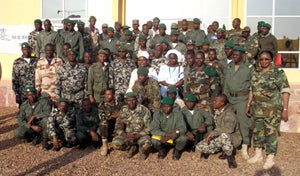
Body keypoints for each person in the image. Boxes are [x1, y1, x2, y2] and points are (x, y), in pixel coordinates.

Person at [246, 51, 290, 169]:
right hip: (257, 110)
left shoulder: (278, 73)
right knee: (258, 132)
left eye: (266, 59)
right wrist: (248, 105)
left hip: (272, 110)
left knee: (271, 134)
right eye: (261, 59)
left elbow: (285, 91)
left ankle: (270, 157)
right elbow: (252, 90)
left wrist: (285, 109)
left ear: (271, 60)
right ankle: (258, 154)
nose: (264, 61)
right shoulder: (256, 73)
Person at [223, 46, 253, 160]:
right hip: (230, 98)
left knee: (243, 122)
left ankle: (245, 145)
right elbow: (226, 84)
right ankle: (232, 144)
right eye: (233, 55)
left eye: (236, 55)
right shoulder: (229, 66)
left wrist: (249, 103)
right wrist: (225, 98)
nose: (234, 56)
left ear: (242, 55)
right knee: (230, 121)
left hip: (242, 98)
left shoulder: (248, 68)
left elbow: (252, 87)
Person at [196, 94, 241, 168]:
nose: (213, 102)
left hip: (233, 138)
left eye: (215, 101)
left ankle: (230, 158)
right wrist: (205, 106)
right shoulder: (218, 110)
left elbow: (229, 129)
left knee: (224, 136)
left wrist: (212, 133)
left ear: (222, 103)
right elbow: (212, 109)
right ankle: (219, 149)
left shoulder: (229, 113)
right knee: (200, 146)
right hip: (219, 135)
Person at [111, 92, 152, 159]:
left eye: (133, 100)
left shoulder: (144, 110)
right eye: (129, 100)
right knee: (116, 144)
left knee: (146, 144)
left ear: (136, 100)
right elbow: (117, 127)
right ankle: (131, 147)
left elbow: (149, 127)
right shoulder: (123, 110)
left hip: (141, 135)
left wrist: (137, 136)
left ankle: (142, 151)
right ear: (126, 101)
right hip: (128, 135)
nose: (132, 102)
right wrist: (125, 135)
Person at [98, 88, 122, 156]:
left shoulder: (119, 104)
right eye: (105, 94)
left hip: (119, 126)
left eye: (109, 94)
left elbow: (125, 113)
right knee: (103, 123)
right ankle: (105, 145)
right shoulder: (102, 105)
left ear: (113, 95)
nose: (106, 96)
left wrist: (119, 114)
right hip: (107, 128)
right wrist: (114, 115)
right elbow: (102, 118)